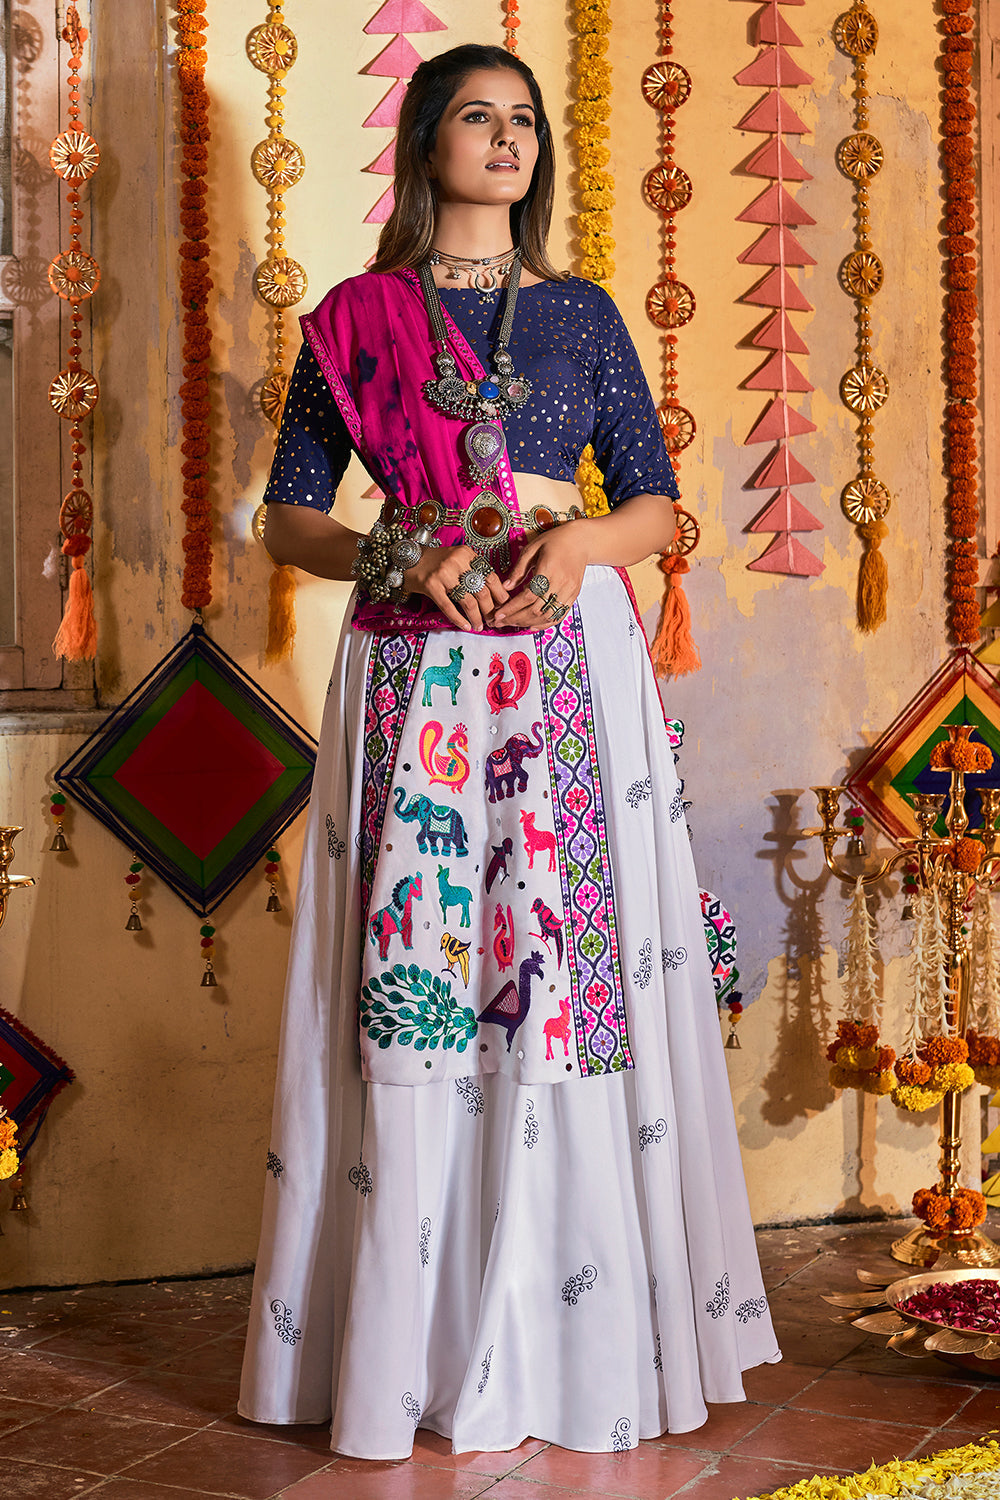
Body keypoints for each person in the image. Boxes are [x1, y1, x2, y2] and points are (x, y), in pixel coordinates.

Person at [238, 42, 779, 1460]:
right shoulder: (355, 319)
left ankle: (573, 1330)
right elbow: (286, 520)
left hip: (560, 656)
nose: (509, 138)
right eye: (478, 117)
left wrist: (578, 541)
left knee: (557, 970)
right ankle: (402, 1349)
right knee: (424, 980)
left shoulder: (584, 313)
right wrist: (401, 546)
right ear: (425, 143)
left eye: (526, 120)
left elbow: (655, 507)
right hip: (416, 657)